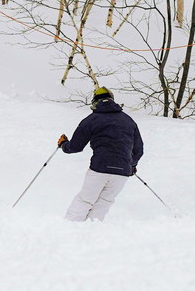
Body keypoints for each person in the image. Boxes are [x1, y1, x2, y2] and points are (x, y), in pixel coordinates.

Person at [57, 86, 144, 221]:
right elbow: (139, 149)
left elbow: (75, 147)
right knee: (105, 202)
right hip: (122, 172)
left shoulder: (91, 120)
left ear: (95, 102)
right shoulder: (128, 120)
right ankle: (92, 231)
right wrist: (131, 165)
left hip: (99, 168)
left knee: (85, 200)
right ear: (112, 100)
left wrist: (63, 145)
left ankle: (70, 228)